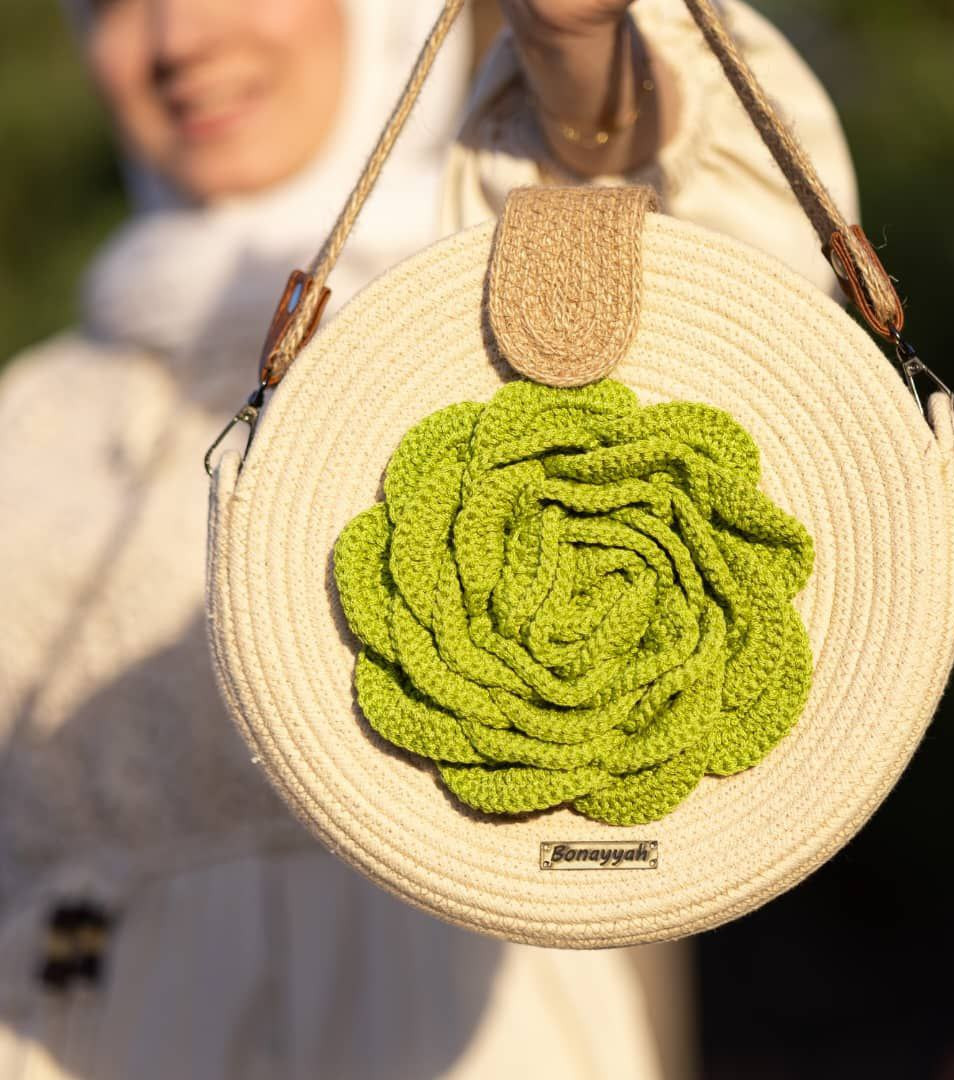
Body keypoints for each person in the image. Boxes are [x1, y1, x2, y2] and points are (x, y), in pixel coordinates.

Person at [0, 1, 857, 1076]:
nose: (177, 42)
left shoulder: (512, 333)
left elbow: (679, 210)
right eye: (117, 2)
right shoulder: (32, 412)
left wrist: (572, 51)